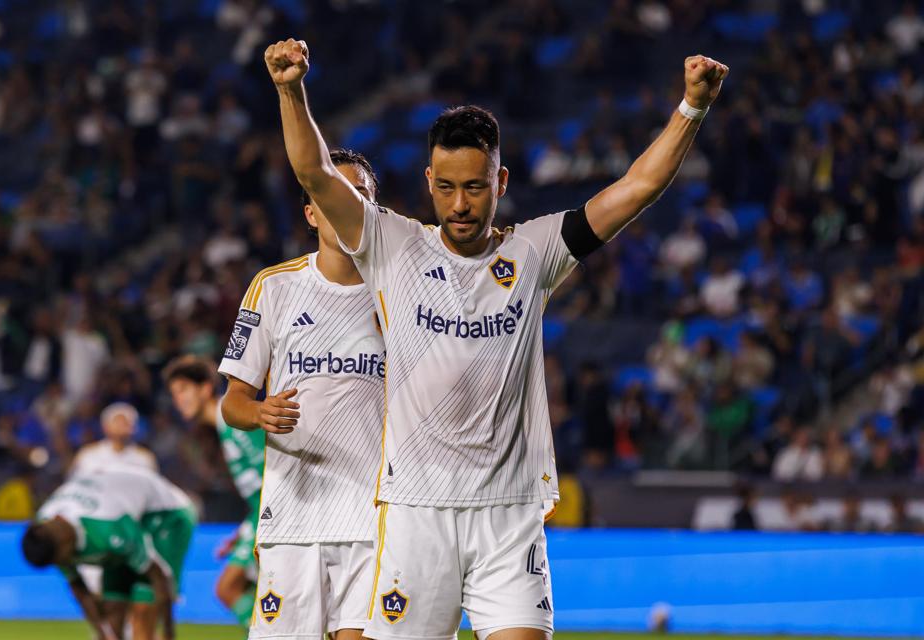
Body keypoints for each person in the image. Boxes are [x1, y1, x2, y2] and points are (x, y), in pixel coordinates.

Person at [265, 37, 727, 640]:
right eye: (448, 187)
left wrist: (691, 107)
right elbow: (314, 173)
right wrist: (290, 90)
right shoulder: (391, 245)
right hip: (415, 513)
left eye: (475, 187)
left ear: (500, 180)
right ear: (429, 181)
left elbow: (636, 189)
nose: (460, 204)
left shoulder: (535, 251)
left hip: (508, 516)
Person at [219, 148, 386, 640]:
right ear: (311, 212)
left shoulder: (400, 292)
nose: (346, 204)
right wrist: (259, 411)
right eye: (330, 193)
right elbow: (233, 403)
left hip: (373, 519)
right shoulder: (272, 287)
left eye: (360, 194)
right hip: (293, 516)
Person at [21, 468, 196, 640]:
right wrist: (104, 633)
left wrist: (168, 633)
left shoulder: (108, 527)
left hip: (166, 515)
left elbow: (159, 577)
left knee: (143, 612)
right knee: (113, 609)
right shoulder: (45, 533)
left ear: (65, 546)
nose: (62, 564)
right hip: (125, 516)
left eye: (60, 560)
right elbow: (78, 587)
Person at [164, 355, 264, 629]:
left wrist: (258, 527)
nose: (178, 400)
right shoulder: (222, 426)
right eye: (174, 394)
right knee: (240, 591)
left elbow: (272, 469)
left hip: (274, 518)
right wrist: (244, 531)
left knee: (229, 588)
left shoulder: (233, 418)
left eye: (183, 390)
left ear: (206, 388)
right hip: (260, 518)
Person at [70, 402, 158, 475]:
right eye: (118, 421)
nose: (122, 425)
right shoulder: (88, 454)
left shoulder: (144, 458)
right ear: (105, 426)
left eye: (127, 422)